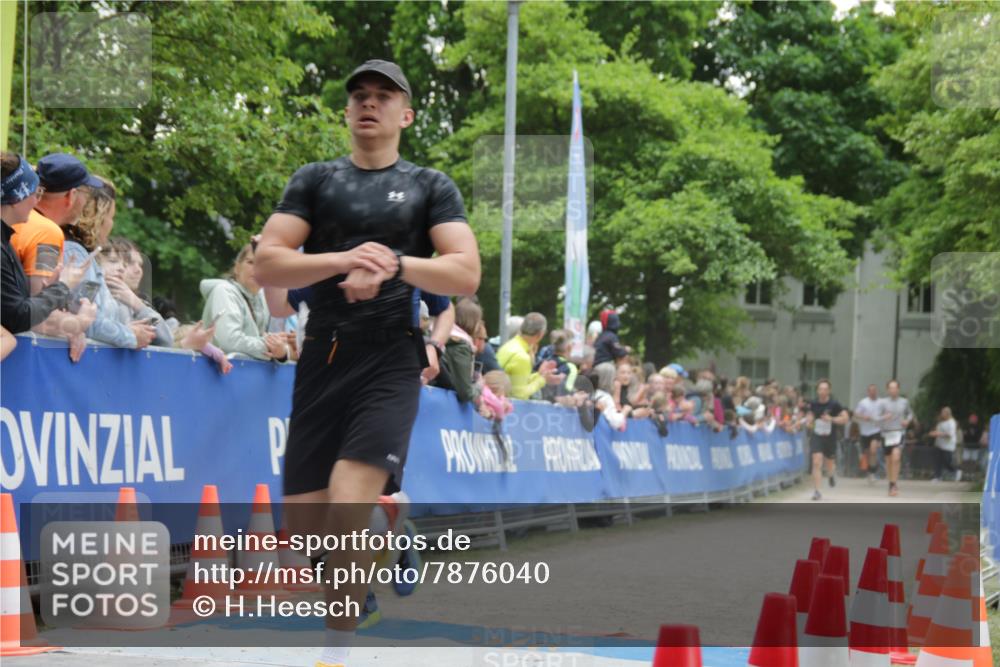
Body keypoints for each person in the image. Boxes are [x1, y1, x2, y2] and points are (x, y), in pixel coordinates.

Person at [253, 59, 480, 667]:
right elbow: (267, 264)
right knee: (303, 535)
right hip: (323, 354)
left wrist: (393, 265)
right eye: (359, 96)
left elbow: (464, 272)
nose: (368, 104)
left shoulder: (431, 185)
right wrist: (342, 258)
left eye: (383, 96)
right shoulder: (315, 181)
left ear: (405, 114)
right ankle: (382, 533)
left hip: (390, 357)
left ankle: (338, 649)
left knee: (349, 500)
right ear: (347, 112)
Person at [1, 153, 92, 336]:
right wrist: (77, 323)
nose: (36, 201)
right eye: (35, 193)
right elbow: (24, 317)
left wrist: (50, 291)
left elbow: (21, 301)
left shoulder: (8, 237)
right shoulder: (47, 232)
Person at [63, 177, 156, 350]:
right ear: (98, 216)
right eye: (111, 217)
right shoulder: (76, 254)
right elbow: (85, 320)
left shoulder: (83, 255)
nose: (112, 224)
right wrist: (130, 335)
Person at [10, 153, 102, 295]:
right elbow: (40, 308)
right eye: (86, 193)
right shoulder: (46, 233)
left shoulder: (15, 216)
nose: (86, 202)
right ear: (71, 195)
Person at [202, 243, 289, 361]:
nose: (257, 269)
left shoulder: (263, 298)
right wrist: (268, 346)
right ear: (237, 268)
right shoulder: (224, 291)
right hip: (216, 374)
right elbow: (229, 341)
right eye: (251, 262)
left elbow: (260, 338)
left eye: (263, 265)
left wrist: (281, 350)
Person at [497, 312, 564, 400]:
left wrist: (539, 375)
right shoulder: (522, 357)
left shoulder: (509, 345)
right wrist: (542, 380)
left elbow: (516, 380)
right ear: (540, 334)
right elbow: (519, 395)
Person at [806, 379, 849, 501]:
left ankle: (831, 475)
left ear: (829, 390)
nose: (822, 391)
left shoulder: (834, 404)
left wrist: (832, 419)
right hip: (817, 436)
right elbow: (810, 416)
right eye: (820, 389)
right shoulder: (813, 404)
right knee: (817, 462)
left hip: (830, 437)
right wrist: (809, 421)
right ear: (817, 390)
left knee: (829, 464)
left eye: (825, 389)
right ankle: (817, 491)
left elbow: (845, 419)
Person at [877, 379, 912, 497]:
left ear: (898, 389)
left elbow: (910, 413)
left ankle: (893, 484)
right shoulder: (882, 402)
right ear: (887, 390)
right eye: (890, 388)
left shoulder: (904, 402)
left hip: (899, 433)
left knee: (896, 457)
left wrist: (907, 421)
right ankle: (891, 482)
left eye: (895, 388)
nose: (893, 390)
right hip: (886, 434)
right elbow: (876, 418)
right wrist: (883, 417)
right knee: (889, 461)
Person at [854, 384, 883, 483]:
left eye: (874, 390)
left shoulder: (881, 402)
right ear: (868, 392)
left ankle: (872, 473)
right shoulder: (863, 402)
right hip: (864, 431)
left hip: (876, 430)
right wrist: (863, 417)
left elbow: (885, 413)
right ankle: (869, 471)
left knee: (873, 450)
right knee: (867, 453)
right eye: (871, 390)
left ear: (876, 391)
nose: (873, 392)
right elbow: (855, 414)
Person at [592, 362, 629, 431]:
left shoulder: (591, 393)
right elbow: (616, 422)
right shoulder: (605, 397)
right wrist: (625, 411)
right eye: (614, 378)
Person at [928, 407, 960, 482]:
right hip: (939, 444)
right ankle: (938, 476)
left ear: (947, 413)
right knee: (937, 461)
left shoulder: (952, 422)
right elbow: (937, 431)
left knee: (947, 462)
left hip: (948, 445)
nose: (941, 414)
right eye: (941, 412)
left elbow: (950, 434)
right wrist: (933, 433)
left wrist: (938, 434)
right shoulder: (940, 422)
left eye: (943, 412)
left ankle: (956, 470)